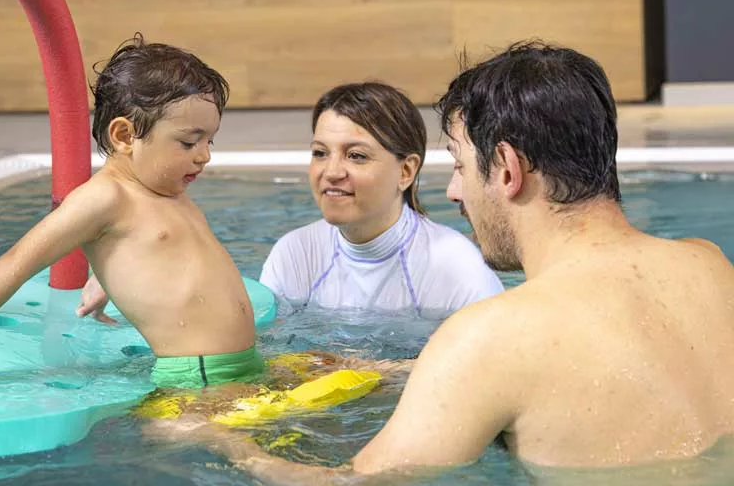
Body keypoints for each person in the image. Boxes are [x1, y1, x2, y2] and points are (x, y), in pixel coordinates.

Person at [150, 42, 734, 477]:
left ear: (506, 170)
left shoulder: (489, 337)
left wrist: (225, 441)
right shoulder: (710, 267)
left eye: (458, 164)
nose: (454, 192)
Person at [0, 34, 266, 389]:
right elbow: (15, 265)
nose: (204, 155)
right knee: (251, 446)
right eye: (188, 142)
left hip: (241, 365)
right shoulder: (105, 198)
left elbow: (161, 255)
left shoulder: (167, 190)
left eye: (209, 141)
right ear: (124, 135)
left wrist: (105, 278)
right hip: (196, 378)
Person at [258, 82, 503, 317]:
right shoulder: (295, 254)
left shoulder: (455, 267)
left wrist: (352, 363)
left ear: (406, 171)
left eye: (356, 156)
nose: (331, 172)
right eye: (320, 153)